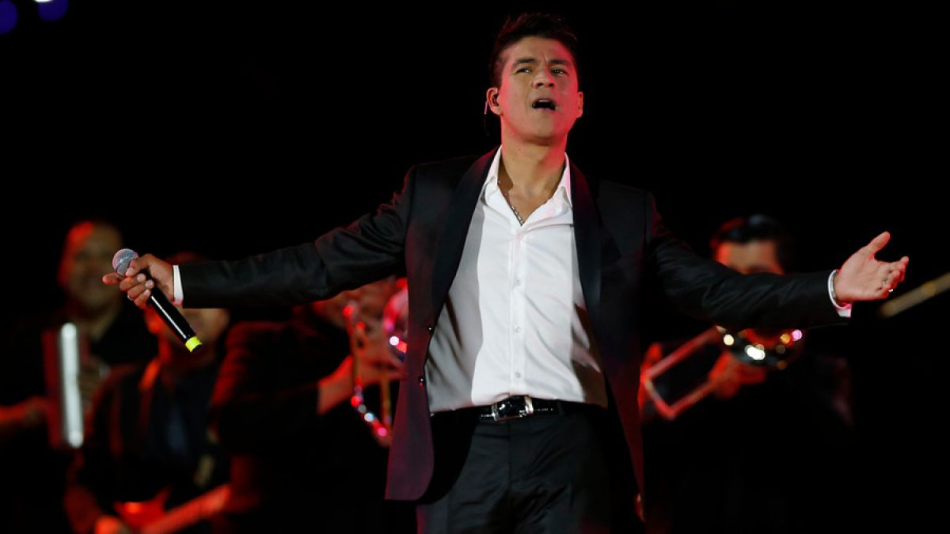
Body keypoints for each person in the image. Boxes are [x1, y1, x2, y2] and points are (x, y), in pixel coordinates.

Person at [104, 12, 908, 533]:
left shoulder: (623, 212)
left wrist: (830, 287)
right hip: (460, 450)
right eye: (525, 69)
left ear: (581, 102)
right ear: (493, 99)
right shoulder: (431, 195)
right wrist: (184, 283)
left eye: (559, 71)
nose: (543, 80)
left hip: (573, 450)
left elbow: (716, 291)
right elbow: (315, 266)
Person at [640, 215, 857, 534]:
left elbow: (840, 466)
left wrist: (780, 381)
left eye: (757, 277)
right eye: (727, 277)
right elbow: (640, 462)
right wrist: (709, 394)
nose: (742, 291)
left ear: (788, 280)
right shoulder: (670, 357)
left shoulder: (825, 369)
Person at [210, 277, 415, 533]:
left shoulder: (407, 353)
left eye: (374, 281)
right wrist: (344, 382)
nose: (356, 290)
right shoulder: (262, 339)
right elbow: (231, 425)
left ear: (394, 288)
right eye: (345, 275)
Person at [1, 219, 156, 534]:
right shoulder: (26, 336)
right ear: (62, 267)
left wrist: (111, 401)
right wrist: (25, 415)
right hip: (34, 507)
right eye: (82, 256)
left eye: (105, 257)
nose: (92, 268)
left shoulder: (148, 340)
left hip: (120, 514)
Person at [65, 252, 231, 534]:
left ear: (225, 316)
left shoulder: (245, 388)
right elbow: (83, 481)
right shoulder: (120, 388)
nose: (192, 310)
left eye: (206, 299)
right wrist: (101, 522)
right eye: (178, 299)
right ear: (150, 317)